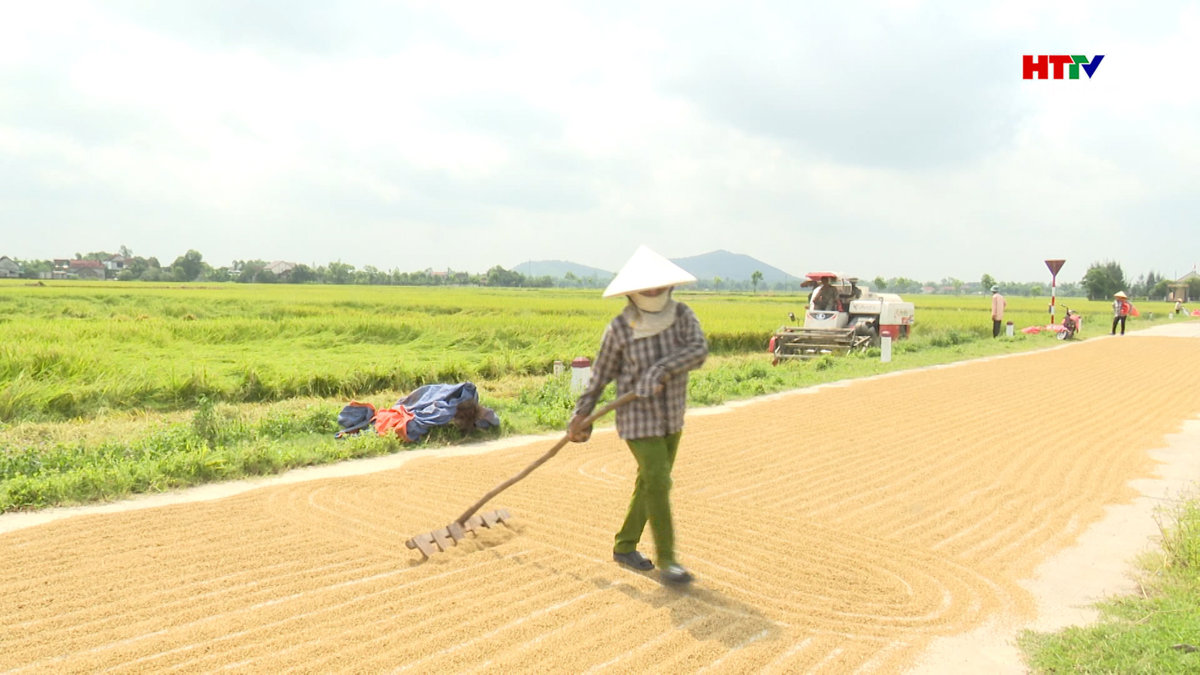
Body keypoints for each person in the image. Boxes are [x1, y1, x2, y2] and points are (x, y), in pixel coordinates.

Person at [568, 245, 708, 585]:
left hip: (671, 416)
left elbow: (698, 350)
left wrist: (661, 369)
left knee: (650, 482)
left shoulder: (683, 317)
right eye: (646, 285)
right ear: (632, 291)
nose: (653, 290)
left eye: (658, 283)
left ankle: (624, 546)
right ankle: (668, 560)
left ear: (669, 285)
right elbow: (600, 376)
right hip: (636, 418)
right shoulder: (620, 329)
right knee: (659, 479)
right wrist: (581, 414)